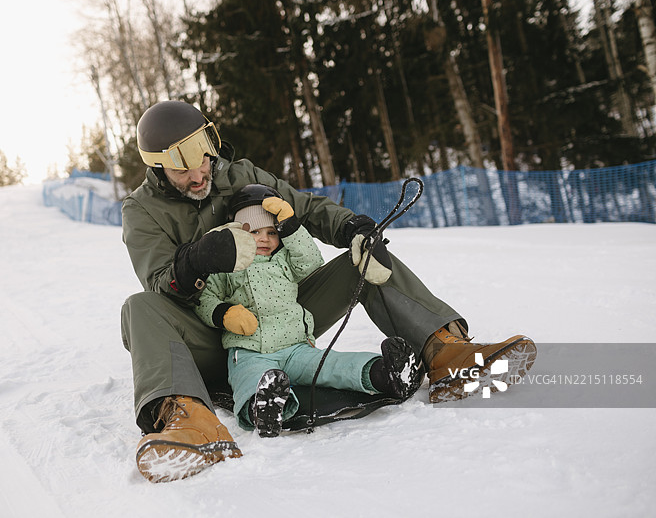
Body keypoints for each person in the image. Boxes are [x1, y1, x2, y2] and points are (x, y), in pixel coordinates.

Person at [121, 100, 536, 483]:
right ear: (158, 169)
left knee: (365, 258)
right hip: (217, 334)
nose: (199, 175)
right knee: (139, 308)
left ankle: (445, 351)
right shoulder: (141, 211)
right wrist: (197, 259)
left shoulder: (241, 175)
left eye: (204, 161)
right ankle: (190, 419)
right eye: (182, 171)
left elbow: (306, 209)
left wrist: (350, 228)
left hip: (284, 315)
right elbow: (161, 284)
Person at [194, 184, 422, 438]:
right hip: (250, 352)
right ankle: (264, 407)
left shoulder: (284, 260)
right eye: (255, 231)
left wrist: (290, 227)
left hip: (295, 347)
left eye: (272, 232)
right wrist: (224, 313)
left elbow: (311, 263)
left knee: (330, 364)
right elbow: (205, 299)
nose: (265, 239)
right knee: (251, 380)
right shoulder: (226, 266)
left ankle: (383, 374)